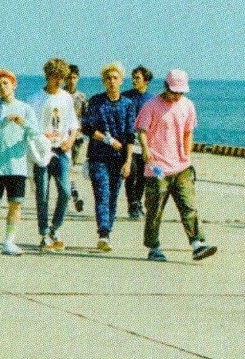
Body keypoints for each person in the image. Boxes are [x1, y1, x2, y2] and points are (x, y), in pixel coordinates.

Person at [136, 69, 217, 262]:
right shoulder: (151, 106)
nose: (177, 96)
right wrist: (145, 150)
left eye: (180, 92)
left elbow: (189, 131)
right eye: (174, 92)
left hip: (182, 167)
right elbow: (142, 131)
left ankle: (197, 244)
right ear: (165, 86)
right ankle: (153, 247)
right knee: (155, 210)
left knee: (189, 206)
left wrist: (187, 155)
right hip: (157, 167)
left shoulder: (188, 106)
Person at [0, 70, 43, 255]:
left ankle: (8, 242)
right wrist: (3, 121)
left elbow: (36, 133)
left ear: (14, 85)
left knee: (16, 204)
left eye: (5, 83)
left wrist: (24, 124)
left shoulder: (25, 108)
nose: (2, 87)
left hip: (17, 164)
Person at [81, 62, 135, 251]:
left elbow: (130, 134)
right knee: (102, 194)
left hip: (119, 159)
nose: (112, 81)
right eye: (108, 78)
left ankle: (107, 233)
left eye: (115, 78)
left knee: (113, 196)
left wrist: (128, 161)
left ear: (121, 80)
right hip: (98, 157)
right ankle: (103, 233)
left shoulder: (128, 104)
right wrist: (107, 140)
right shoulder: (96, 102)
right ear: (103, 81)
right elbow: (87, 127)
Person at [28, 58, 78, 250]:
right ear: (47, 76)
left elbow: (73, 124)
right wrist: (41, 138)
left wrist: (70, 140)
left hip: (61, 150)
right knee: (42, 193)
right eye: (55, 77)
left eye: (62, 78)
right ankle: (44, 233)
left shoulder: (66, 98)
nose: (59, 81)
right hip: (42, 151)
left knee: (65, 192)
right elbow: (29, 128)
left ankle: (54, 227)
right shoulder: (35, 99)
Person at [122, 65, 154, 219]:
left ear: (146, 81)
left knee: (143, 175)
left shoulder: (151, 100)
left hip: (145, 142)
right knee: (131, 171)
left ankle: (137, 202)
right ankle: (132, 203)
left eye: (138, 78)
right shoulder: (125, 97)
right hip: (128, 140)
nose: (134, 80)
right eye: (133, 78)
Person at [64, 64, 87, 212]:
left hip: (77, 138)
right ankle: (72, 193)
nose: (71, 80)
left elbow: (87, 117)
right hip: (61, 138)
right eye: (69, 78)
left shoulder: (82, 97)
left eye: (74, 77)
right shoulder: (60, 95)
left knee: (71, 167)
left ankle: (71, 192)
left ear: (77, 78)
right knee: (65, 168)